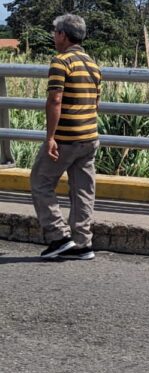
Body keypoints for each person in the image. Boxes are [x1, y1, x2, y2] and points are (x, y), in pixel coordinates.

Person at [33, 14, 101, 260]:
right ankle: (83, 244)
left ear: (63, 35)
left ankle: (58, 236)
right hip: (89, 136)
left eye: (55, 32)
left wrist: (51, 137)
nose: (53, 36)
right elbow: (96, 102)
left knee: (40, 183)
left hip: (67, 137)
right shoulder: (92, 64)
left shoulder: (61, 61)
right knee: (83, 190)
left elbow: (55, 99)